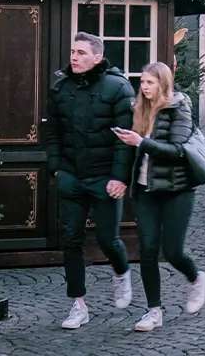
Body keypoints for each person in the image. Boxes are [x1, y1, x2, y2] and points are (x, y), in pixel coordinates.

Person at [42, 32, 136, 330]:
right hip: (71, 176)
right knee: (71, 240)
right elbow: (52, 132)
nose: (74, 57)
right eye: (73, 51)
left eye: (81, 52)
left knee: (109, 239)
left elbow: (125, 140)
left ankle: (121, 272)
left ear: (97, 57)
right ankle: (78, 305)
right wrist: (56, 169)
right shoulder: (61, 87)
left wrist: (120, 178)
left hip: (105, 178)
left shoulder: (118, 87)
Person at [112, 62, 205, 333]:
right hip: (146, 191)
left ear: (163, 84)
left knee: (173, 251)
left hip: (177, 190)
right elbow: (132, 152)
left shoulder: (179, 107)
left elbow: (177, 150)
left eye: (150, 83)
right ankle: (153, 311)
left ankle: (195, 277)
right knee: (147, 250)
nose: (144, 88)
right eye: (142, 82)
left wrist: (141, 142)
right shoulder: (138, 109)